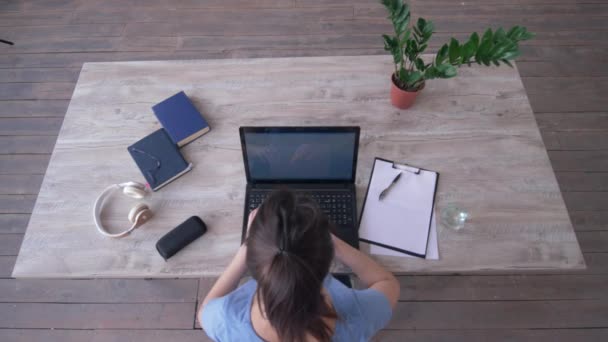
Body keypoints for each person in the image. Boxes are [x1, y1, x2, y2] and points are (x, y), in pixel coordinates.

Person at [199, 190, 400, 341]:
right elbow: (386, 282)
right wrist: (333, 243)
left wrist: (248, 246)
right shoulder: (358, 317)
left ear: (253, 263)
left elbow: (204, 313)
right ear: (327, 261)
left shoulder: (225, 319)